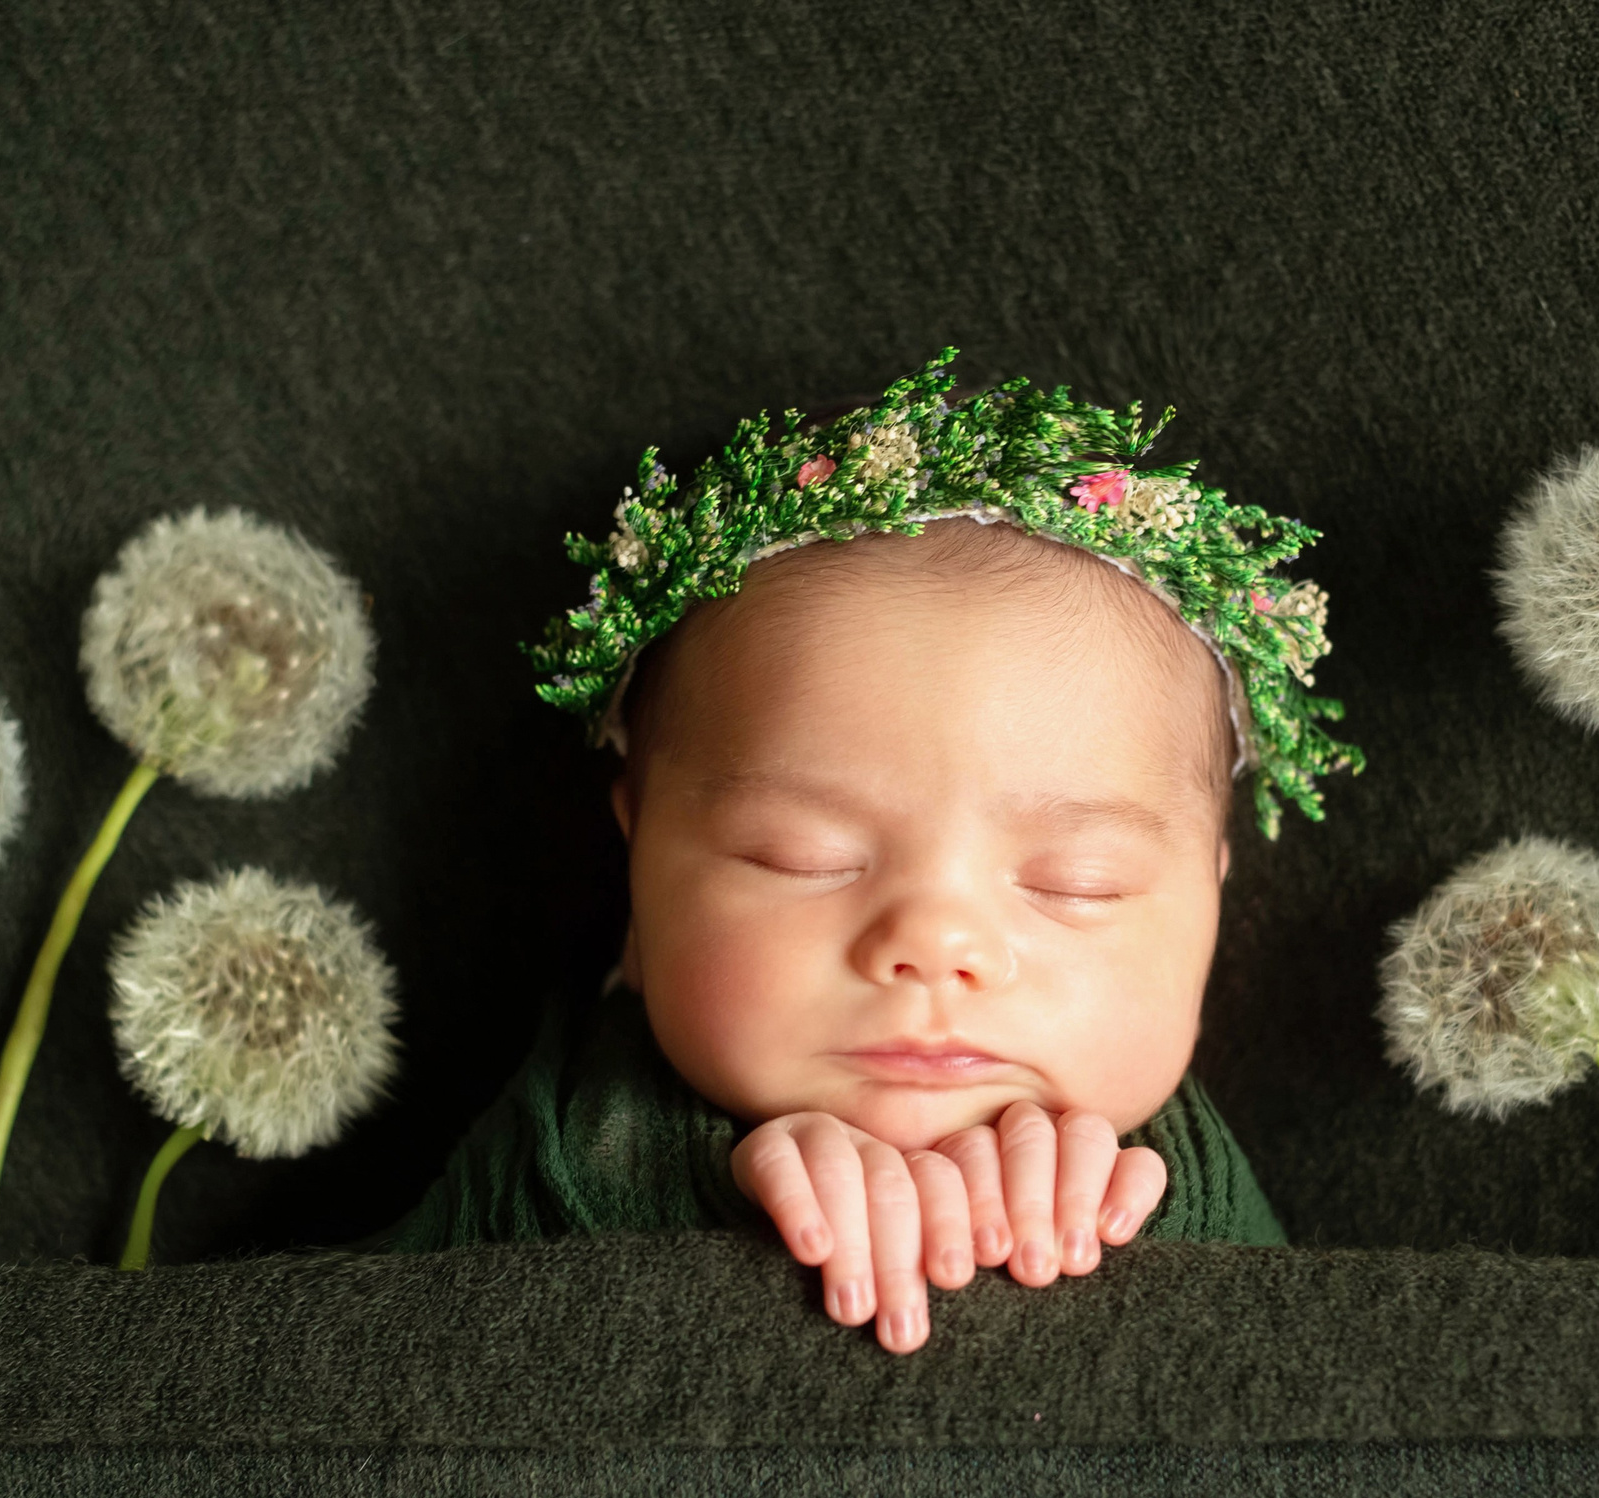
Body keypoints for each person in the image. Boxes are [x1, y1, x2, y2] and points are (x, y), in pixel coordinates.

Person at [359, 352, 1362, 1354]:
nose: (934, 945)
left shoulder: (1172, 1174)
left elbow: (1299, 1405)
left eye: (1076, 883)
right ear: (638, 846)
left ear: (1210, 897)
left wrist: (1147, 1234)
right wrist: (693, 1193)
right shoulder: (571, 1131)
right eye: (802, 856)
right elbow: (374, 1357)